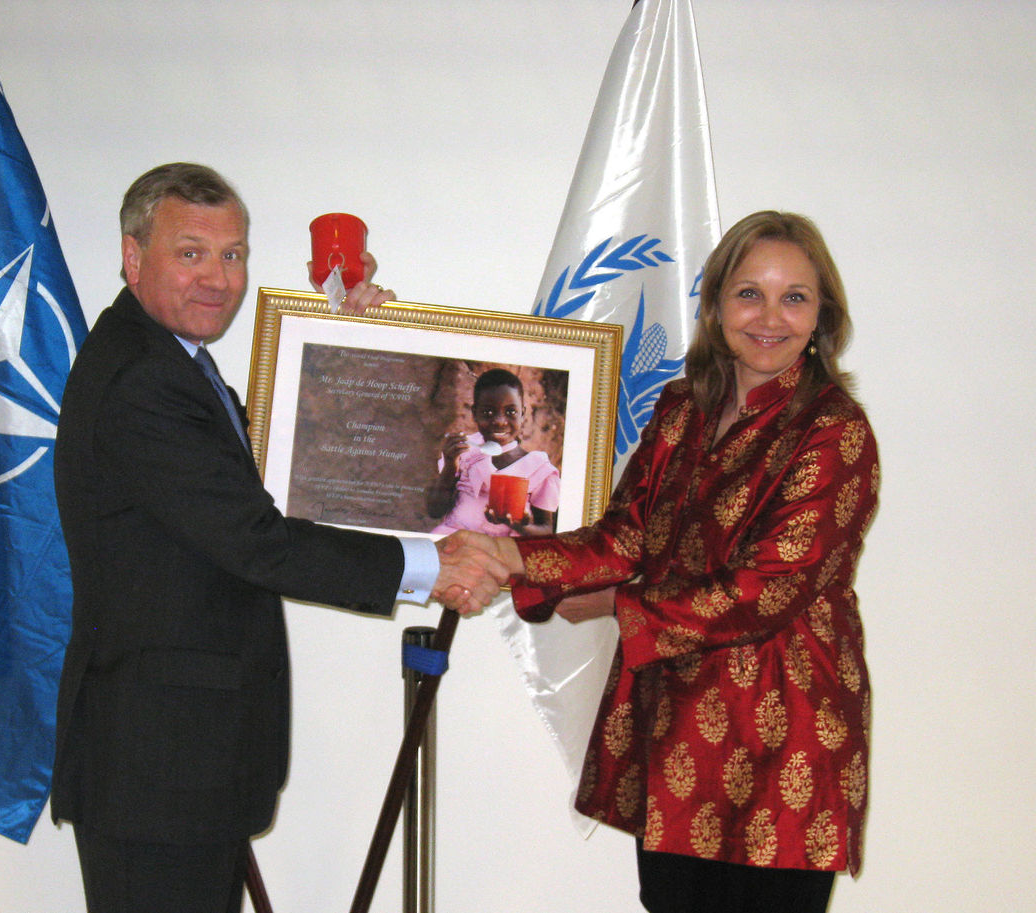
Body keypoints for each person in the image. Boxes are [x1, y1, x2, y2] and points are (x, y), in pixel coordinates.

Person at [51, 163, 504, 913]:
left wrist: (340, 340)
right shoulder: (143, 380)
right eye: (190, 252)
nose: (218, 278)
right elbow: (255, 538)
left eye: (233, 254)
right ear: (134, 257)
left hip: (178, 760)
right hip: (155, 768)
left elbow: (240, 483)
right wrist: (430, 563)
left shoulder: (170, 362)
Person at [446, 212, 879, 912]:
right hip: (679, 722)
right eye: (749, 293)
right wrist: (508, 554)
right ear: (714, 303)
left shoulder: (835, 430)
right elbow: (626, 537)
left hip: (785, 734)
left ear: (822, 313)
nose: (770, 316)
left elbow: (764, 591)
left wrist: (616, 606)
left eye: (794, 297)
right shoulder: (683, 407)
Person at [426, 368, 560, 536]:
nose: (499, 421)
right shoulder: (465, 453)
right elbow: (434, 511)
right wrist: (450, 466)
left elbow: (546, 531)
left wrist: (516, 524)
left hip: (500, 551)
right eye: (488, 412)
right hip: (453, 538)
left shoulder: (537, 468)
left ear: (523, 414)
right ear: (474, 414)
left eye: (510, 412)